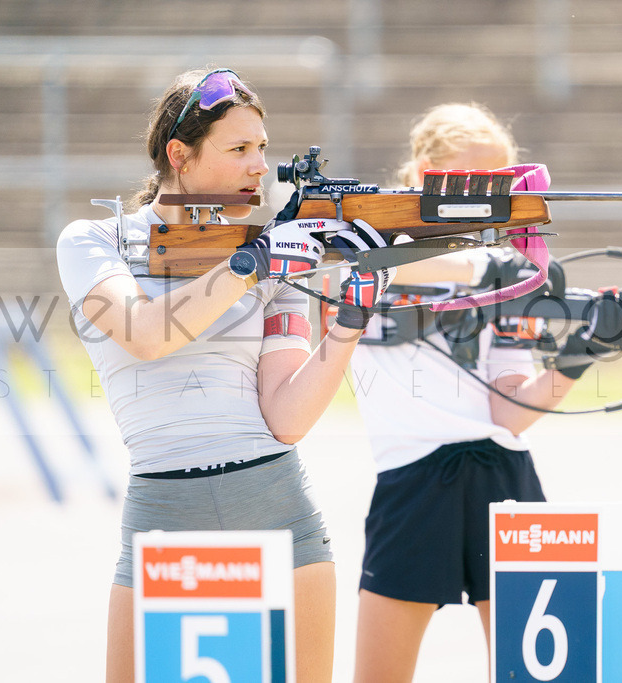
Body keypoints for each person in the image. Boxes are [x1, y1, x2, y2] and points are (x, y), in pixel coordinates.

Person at [56, 68, 391, 683]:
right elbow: (146, 334)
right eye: (238, 149)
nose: (260, 167)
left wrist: (351, 316)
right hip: (160, 506)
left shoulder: (274, 252)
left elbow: (286, 418)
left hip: (275, 503)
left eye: (262, 148)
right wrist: (250, 265)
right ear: (179, 156)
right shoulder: (93, 241)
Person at [347, 102, 622, 682]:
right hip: (412, 481)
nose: (490, 202)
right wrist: (495, 268)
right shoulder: (370, 235)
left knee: (547, 673)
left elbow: (510, 409)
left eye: (501, 187)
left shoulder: (506, 269)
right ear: (426, 172)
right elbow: (368, 264)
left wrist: (585, 350)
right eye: (477, 183)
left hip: (504, 475)